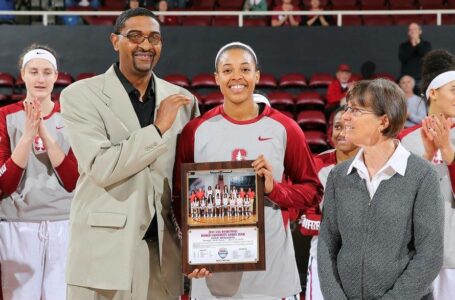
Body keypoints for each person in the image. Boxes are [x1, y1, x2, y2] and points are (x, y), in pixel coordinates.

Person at [60, 7, 199, 299]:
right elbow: (101, 166)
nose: (146, 45)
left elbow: (189, 180)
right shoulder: (79, 95)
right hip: (103, 253)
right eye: (134, 36)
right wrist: (158, 129)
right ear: (115, 41)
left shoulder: (184, 101)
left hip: (163, 254)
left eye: (154, 38)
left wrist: (202, 242)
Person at [174, 41, 323, 299]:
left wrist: (274, 190)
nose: (236, 77)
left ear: (257, 75)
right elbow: (178, 198)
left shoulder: (285, 128)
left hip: (271, 273)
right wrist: (190, 251)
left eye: (244, 69)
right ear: (216, 78)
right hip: (212, 270)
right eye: (228, 70)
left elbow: (312, 191)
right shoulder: (195, 131)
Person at [318, 78, 444, 299]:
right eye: (347, 108)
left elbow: (430, 256)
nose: (345, 116)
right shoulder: (339, 176)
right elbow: (327, 244)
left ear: (383, 121)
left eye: (356, 110)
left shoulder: (422, 176)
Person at [0, 44, 79, 299]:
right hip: (17, 224)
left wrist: (44, 132)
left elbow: (72, 180)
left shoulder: (72, 117)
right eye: (33, 71)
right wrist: (27, 137)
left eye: (47, 72)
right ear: (23, 75)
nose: (41, 78)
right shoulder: (4, 116)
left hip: (64, 224)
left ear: (57, 76)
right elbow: (6, 184)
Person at [399, 49, 455, 300]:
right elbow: (397, 199)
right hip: (416, 259)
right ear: (433, 92)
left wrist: (447, 151)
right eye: (453, 89)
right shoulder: (404, 141)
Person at [299, 107, 359, 300]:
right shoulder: (317, 165)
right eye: (338, 127)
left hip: (363, 259)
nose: (342, 133)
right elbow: (306, 223)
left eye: (350, 127)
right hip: (324, 256)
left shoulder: (375, 163)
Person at [398, 23, 432, 87]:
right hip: (407, 79)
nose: (413, 31)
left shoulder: (426, 44)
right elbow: (403, 57)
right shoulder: (403, 45)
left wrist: (418, 43)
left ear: (420, 31)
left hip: (421, 79)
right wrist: (413, 44)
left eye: (415, 29)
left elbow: (425, 55)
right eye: (410, 29)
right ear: (408, 33)